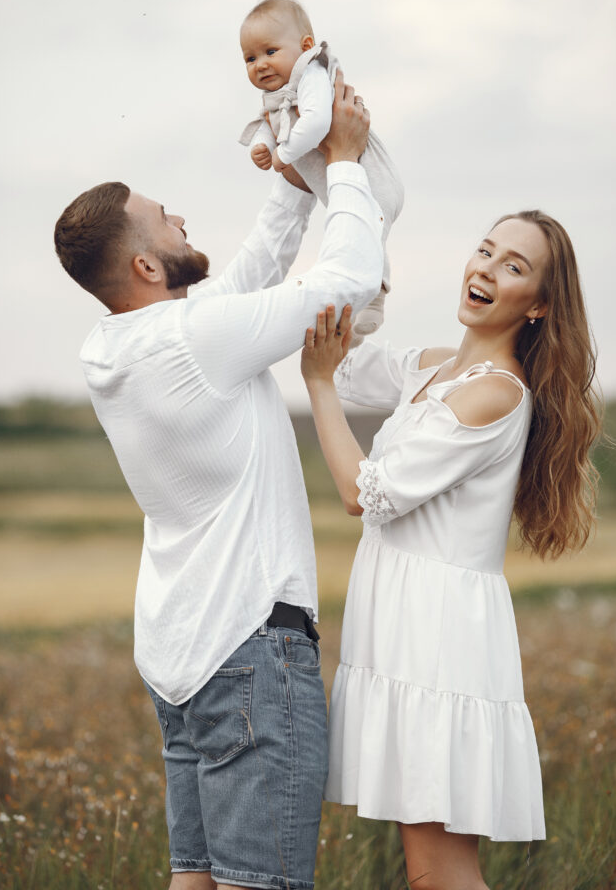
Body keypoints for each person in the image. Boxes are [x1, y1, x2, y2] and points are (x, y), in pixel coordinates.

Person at [53, 75, 385, 890]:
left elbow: (241, 281)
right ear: (144, 261)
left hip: (182, 657)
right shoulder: (192, 340)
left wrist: (289, 184)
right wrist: (344, 166)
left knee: (196, 880)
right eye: (167, 220)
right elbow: (341, 284)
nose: (182, 220)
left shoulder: (124, 345)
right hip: (248, 653)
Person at [300, 211, 601, 890]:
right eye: (485, 251)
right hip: (404, 631)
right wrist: (359, 245)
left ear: (540, 305)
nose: (486, 270)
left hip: (438, 644)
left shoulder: (492, 393)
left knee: (438, 875)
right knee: (425, 873)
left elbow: (365, 494)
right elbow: (349, 366)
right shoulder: (437, 369)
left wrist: (315, 385)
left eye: (513, 266)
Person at [239, 0, 404, 346]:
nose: (260, 65)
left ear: (306, 46)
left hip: (367, 173)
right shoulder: (280, 94)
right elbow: (273, 121)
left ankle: (374, 296)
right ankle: (350, 319)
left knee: (365, 232)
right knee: (356, 233)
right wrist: (263, 146)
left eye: (270, 52)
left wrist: (282, 154)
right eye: (250, 58)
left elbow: (315, 122)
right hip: (333, 179)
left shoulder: (311, 73)